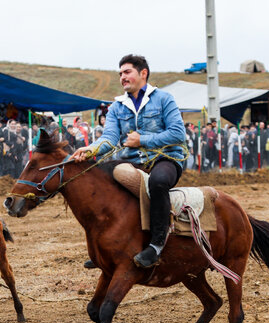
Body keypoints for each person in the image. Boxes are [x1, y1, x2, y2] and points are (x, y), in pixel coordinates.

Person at [72, 54, 187, 269]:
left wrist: (143, 140)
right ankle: (105, 248)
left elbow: (178, 134)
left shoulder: (164, 99)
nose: (122, 77)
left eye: (127, 72)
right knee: (98, 178)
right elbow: (109, 139)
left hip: (166, 159)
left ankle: (157, 245)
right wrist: (90, 149)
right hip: (131, 161)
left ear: (143, 73)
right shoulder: (116, 107)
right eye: (120, 74)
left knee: (158, 182)